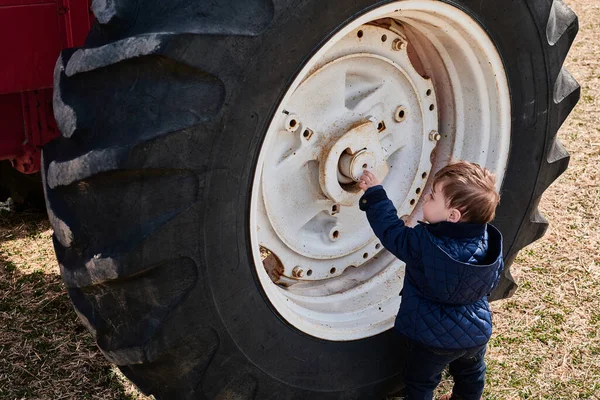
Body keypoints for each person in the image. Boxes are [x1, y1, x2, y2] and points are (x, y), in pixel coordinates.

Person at [358, 161, 504, 400]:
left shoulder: (424, 245)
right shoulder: (489, 244)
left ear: (453, 216)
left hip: (434, 340)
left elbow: (391, 231)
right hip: (476, 333)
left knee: (420, 382)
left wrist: (375, 194)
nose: (426, 197)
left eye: (433, 197)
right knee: (471, 373)